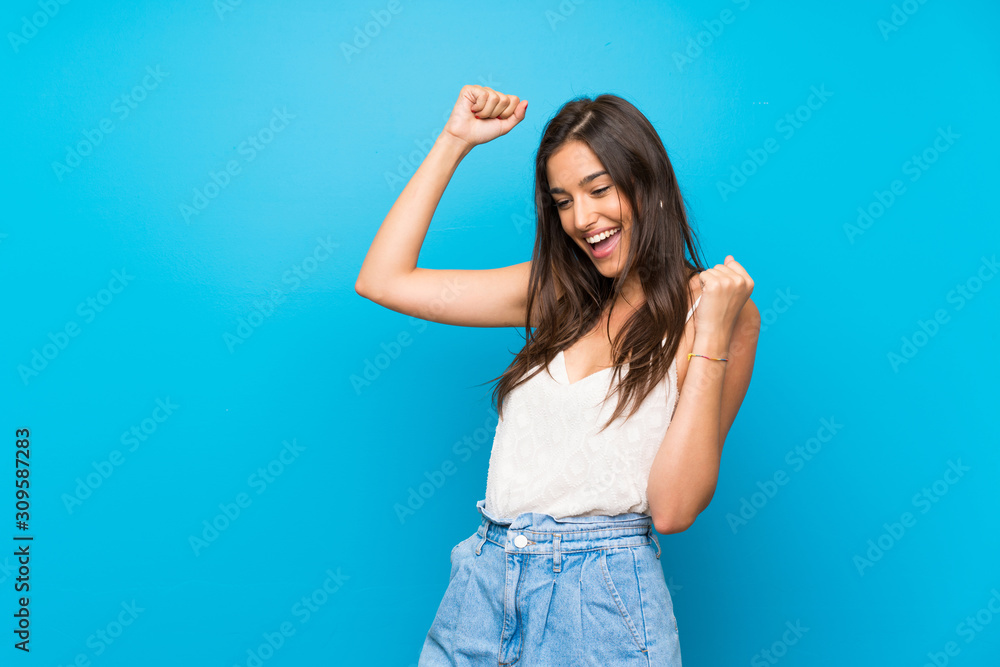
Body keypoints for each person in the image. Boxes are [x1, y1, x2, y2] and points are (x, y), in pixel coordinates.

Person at [356, 85, 759, 666]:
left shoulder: (717, 312)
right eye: (563, 200)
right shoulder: (554, 293)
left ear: (649, 184)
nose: (583, 219)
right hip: (485, 585)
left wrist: (712, 336)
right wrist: (454, 142)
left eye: (599, 190)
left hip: (604, 607)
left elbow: (673, 510)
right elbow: (383, 279)